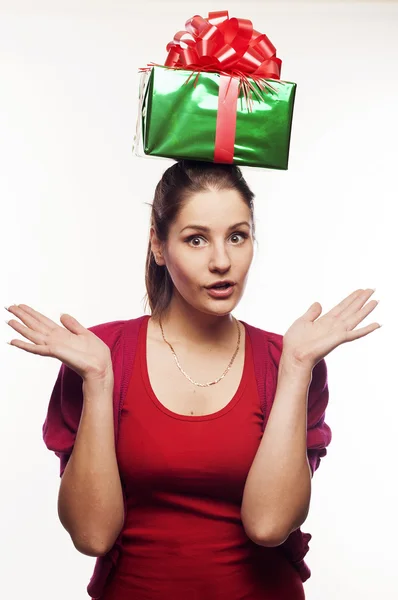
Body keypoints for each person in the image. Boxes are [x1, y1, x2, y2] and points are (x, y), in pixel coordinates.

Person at [5, 160, 380, 600]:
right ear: (158, 246)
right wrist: (98, 380)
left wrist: (297, 369)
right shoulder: (101, 356)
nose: (222, 261)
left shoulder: (288, 360)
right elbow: (92, 535)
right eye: (196, 239)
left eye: (237, 236)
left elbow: (269, 525)